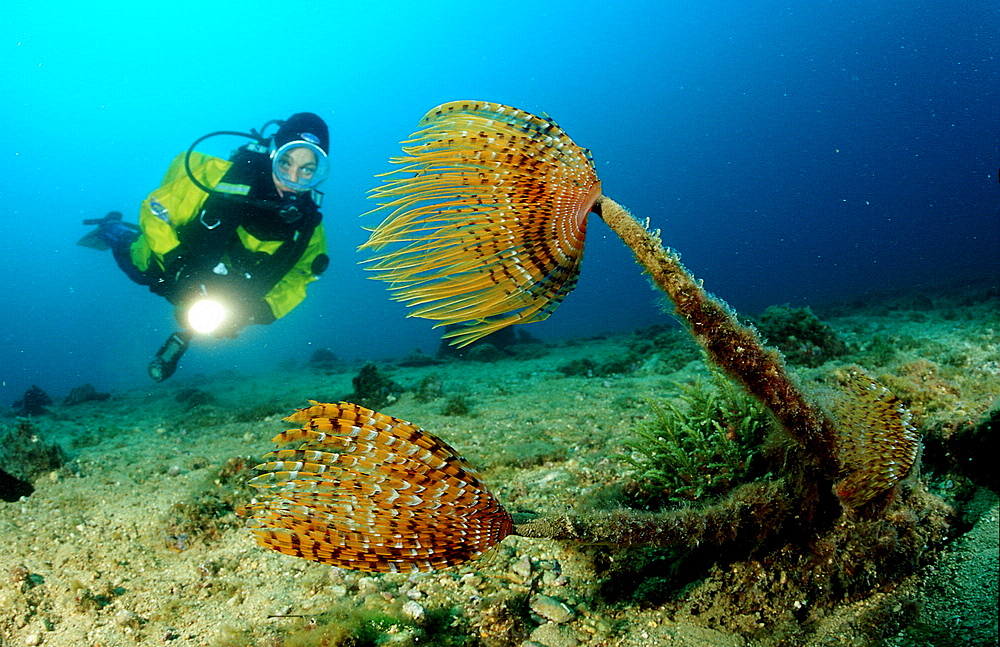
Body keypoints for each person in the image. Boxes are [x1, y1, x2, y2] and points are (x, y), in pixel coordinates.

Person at [80, 113, 330, 381]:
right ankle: (111, 228)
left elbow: (303, 275)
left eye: (307, 170)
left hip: (222, 289)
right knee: (138, 265)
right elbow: (155, 210)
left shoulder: (309, 230)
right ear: (272, 155)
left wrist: (261, 311)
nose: (291, 179)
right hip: (168, 263)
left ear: (317, 173)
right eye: (285, 162)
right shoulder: (216, 177)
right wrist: (178, 265)